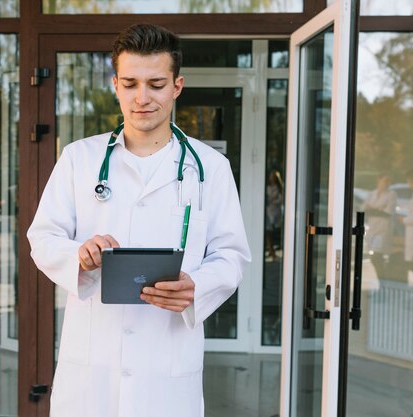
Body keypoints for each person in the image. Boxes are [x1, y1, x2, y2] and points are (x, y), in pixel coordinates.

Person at [27, 24, 251, 417]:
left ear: (177, 86)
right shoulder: (80, 159)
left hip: (166, 369)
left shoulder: (211, 168)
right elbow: (43, 237)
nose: (142, 98)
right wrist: (79, 254)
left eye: (156, 84)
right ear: (115, 85)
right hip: (92, 369)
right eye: (130, 84)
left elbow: (231, 254)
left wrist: (197, 286)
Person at [361, 174, 397, 278]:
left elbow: (388, 212)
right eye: (384, 180)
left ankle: (383, 278)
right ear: (379, 180)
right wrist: (379, 209)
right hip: (373, 228)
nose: (386, 183)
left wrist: (373, 209)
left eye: (388, 181)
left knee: (377, 255)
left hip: (383, 230)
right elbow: (364, 209)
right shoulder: (371, 194)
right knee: (373, 256)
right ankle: (381, 278)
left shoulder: (392, 194)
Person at [265, 170, 283, 260]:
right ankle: (271, 251)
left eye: (273, 176)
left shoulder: (278, 187)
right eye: (270, 176)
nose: (271, 178)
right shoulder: (267, 187)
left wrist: (273, 200)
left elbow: (280, 200)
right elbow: (266, 199)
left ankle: (273, 251)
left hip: (275, 213)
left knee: (273, 233)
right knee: (268, 233)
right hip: (268, 212)